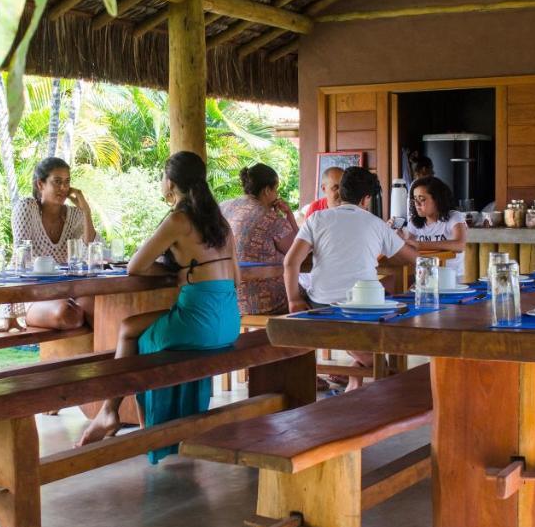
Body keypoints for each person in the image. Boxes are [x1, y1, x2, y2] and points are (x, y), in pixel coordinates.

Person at [77, 151, 240, 456]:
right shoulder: (220, 222)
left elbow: (135, 267)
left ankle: (110, 411)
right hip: (229, 322)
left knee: (129, 330)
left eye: (163, 176)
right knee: (138, 329)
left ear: (170, 184)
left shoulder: (179, 219)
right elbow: (236, 278)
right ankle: (136, 419)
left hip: (198, 323)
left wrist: (173, 269)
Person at [284, 166, 417, 390]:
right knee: (389, 307)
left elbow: (290, 262)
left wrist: (294, 299)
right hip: (366, 309)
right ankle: (372, 374)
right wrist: (408, 243)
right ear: (366, 199)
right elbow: (413, 259)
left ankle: (357, 374)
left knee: (357, 337)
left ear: (340, 191)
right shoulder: (375, 223)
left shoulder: (316, 219)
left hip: (321, 305)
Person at [10, 157, 97, 330]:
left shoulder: (74, 215)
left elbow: (90, 249)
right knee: (69, 314)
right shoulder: (26, 208)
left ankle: (110, 357)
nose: (63, 188)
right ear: (40, 184)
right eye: (57, 182)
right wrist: (9, 313)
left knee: (102, 309)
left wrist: (86, 211)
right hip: (34, 295)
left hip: (69, 292)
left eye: (67, 182)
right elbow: (19, 259)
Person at [221, 163, 298, 314]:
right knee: (308, 298)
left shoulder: (223, 207)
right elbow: (296, 251)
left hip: (227, 299)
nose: (277, 194)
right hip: (266, 302)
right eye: (275, 189)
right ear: (267, 190)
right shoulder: (272, 219)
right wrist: (288, 215)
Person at [399, 176, 468, 279]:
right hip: (424, 277)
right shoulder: (414, 222)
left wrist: (421, 245)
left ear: (437, 199)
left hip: (451, 277)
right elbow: (409, 249)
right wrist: (398, 237)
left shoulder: (454, 217)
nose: (417, 204)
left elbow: (460, 245)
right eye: (415, 199)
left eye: (422, 199)